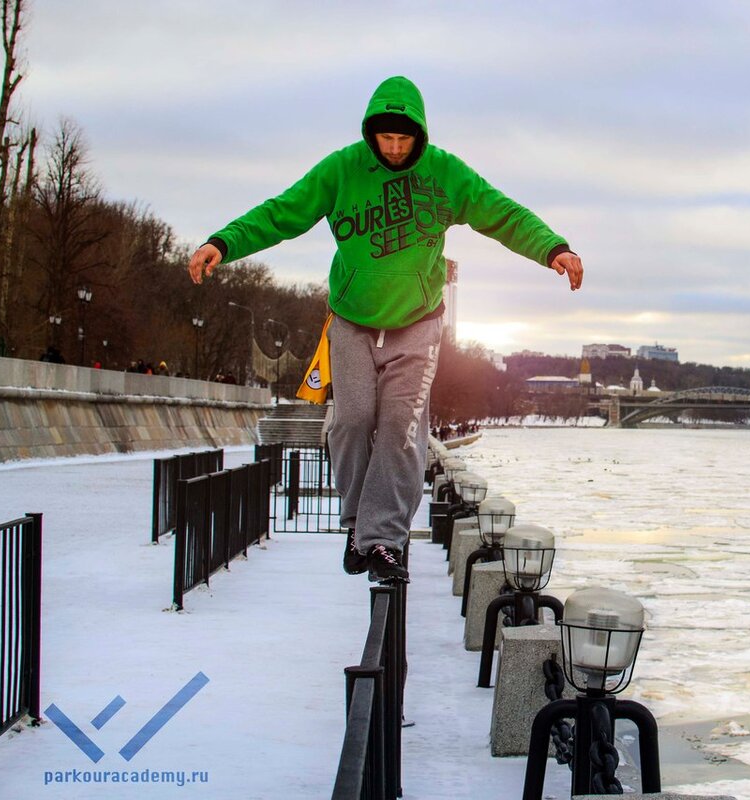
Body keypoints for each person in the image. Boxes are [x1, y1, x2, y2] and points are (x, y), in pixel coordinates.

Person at [187, 76, 583, 584]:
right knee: (351, 421)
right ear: (370, 134)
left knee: (400, 430)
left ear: (419, 135)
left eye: (404, 139)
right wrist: (224, 242)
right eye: (385, 139)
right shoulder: (342, 169)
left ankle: (384, 541)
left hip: (417, 325)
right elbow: (282, 212)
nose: (394, 149)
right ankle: (357, 527)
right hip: (351, 321)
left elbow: (502, 214)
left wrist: (554, 249)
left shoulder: (445, 173)